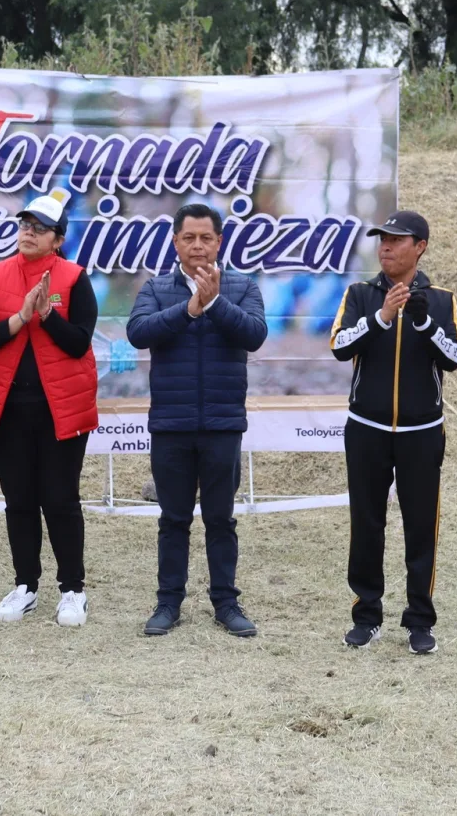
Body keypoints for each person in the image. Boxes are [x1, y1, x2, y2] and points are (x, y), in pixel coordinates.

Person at [127, 204, 268, 638]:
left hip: (223, 424)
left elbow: (255, 335)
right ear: (175, 242)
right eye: (189, 238)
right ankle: (168, 602)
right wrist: (189, 308)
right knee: (173, 519)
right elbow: (138, 333)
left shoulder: (243, 288)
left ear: (219, 242)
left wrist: (214, 302)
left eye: (206, 238)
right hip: (171, 425)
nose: (197, 246)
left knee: (221, 519)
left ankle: (226, 603)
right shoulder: (156, 288)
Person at [329, 211, 457, 654]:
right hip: (366, 429)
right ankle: (366, 616)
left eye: (396, 240)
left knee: (421, 526)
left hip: (422, 433)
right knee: (366, 524)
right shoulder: (360, 294)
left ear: (420, 246)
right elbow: (340, 346)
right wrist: (382, 317)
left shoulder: (441, 299)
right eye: (382, 240)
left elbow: (454, 358)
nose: (386, 247)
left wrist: (425, 324)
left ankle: (420, 621)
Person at [0, 190, 100, 626]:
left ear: (57, 239)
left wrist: (47, 315)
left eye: (39, 228)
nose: (28, 232)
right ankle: (26, 585)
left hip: (60, 410)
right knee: (19, 500)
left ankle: (72, 589)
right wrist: (20, 318)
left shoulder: (75, 278)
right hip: (7, 409)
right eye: (25, 224)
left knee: (60, 500)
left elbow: (79, 342)